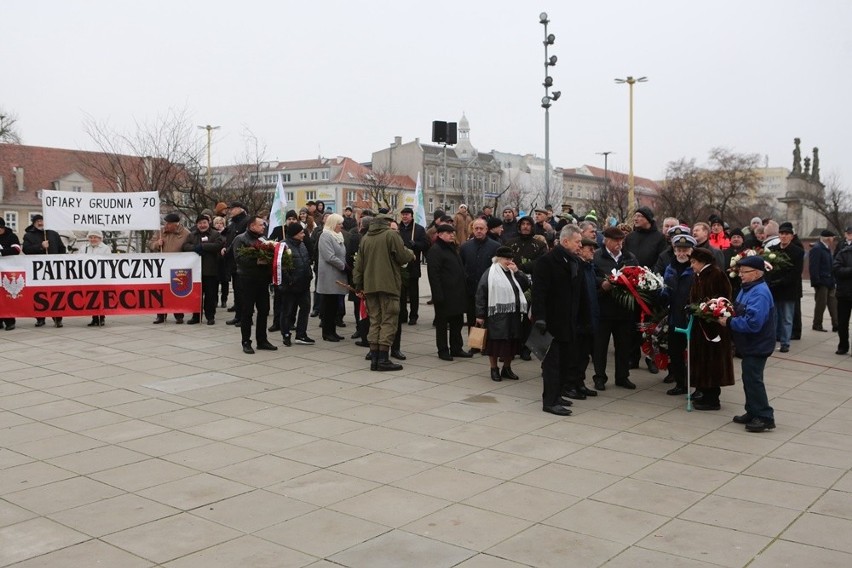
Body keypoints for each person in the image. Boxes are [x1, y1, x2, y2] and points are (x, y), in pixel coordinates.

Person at [531, 225, 587, 416]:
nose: (581, 245)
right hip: (550, 323)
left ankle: (558, 395)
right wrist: (539, 318)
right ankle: (550, 401)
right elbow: (539, 293)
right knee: (552, 365)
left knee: (565, 362)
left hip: (568, 322)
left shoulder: (574, 262)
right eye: (577, 242)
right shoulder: (546, 262)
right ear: (565, 242)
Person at [718, 255, 776, 432]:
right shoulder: (747, 288)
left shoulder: (760, 293)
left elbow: (753, 323)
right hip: (749, 344)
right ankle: (752, 411)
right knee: (749, 378)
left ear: (757, 273)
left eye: (745, 272)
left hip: (758, 344)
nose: (741, 275)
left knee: (754, 379)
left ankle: (765, 417)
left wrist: (728, 322)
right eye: (740, 271)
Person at [353, 214, 414, 371]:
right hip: (388, 285)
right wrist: (411, 253)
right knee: (388, 321)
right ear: (386, 223)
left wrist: (359, 286)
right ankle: (383, 359)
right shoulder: (390, 235)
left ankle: (374, 358)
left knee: (375, 321)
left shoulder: (365, 238)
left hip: (370, 286)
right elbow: (402, 256)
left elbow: (358, 266)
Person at [687, 247, 735, 410]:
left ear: (702, 261)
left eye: (693, 262)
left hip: (713, 328)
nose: (691, 265)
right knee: (702, 361)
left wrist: (705, 308)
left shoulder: (716, 274)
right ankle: (702, 391)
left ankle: (712, 398)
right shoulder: (699, 275)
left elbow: (723, 299)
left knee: (713, 363)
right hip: (700, 327)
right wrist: (692, 307)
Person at [592, 226, 639, 390]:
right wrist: (602, 284)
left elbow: (637, 276)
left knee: (624, 346)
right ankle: (599, 377)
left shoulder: (629, 257)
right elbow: (592, 276)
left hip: (624, 310)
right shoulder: (597, 256)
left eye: (621, 241)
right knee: (600, 346)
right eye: (615, 241)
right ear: (606, 240)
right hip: (603, 309)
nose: (619, 244)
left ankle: (622, 376)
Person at [474, 246, 530, 381]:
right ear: (498, 259)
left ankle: (507, 368)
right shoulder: (490, 273)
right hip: (496, 316)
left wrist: (517, 272)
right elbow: (481, 293)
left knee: (511, 343)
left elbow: (526, 285)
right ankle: (494, 369)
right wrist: (480, 315)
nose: (509, 261)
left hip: (513, 315)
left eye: (511, 258)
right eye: (506, 259)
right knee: (495, 344)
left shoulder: (512, 273)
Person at [232, 215, 278, 354]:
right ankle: (246, 341)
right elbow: (239, 258)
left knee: (264, 310)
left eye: (264, 225)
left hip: (262, 280)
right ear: (252, 226)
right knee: (247, 312)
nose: (264, 227)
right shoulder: (241, 239)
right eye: (261, 225)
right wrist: (258, 261)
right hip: (246, 280)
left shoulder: (263, 239)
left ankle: (262, 340)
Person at [660, 232, 697, 395]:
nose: (682, 254)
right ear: (674, 251)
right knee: (675, 353)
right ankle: (681, 383)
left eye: (685, 250)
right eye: (678, 250)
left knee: (694, 354)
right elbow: (666, 290)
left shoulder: (695, 269)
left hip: (692, 319)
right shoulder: (670, 268)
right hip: (675, 317)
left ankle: (696, 384)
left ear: (691, 251)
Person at [427, 225, 469, 361]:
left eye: (452, 233)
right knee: (442, 324)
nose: (451, 235)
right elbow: (434, 275)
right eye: (448, 233)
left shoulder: (452, 247)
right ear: (439, 234)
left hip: (457, 293)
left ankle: (456, 348)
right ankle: (443, 350)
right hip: (444, 294)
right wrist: (437, 295)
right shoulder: (436, 250)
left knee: (457, 322)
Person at [765, 222, 804, 353]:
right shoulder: (773, 250)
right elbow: (768, 268)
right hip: (774, 288)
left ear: (791, 236)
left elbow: (796, 272)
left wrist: (782, 281)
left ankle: (785, 343)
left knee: (787, 317)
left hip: (789, 288)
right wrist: (771, 280)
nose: (784, 236)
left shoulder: (797, 251)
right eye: (781, 234)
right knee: (774, 316)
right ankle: (773, 340)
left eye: (787, 234)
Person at [22, 214, 66, 327]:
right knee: (39, 295)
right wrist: (40, 246)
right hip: (38, 271)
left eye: (42, 220)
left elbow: (62, 248)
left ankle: (58, 318)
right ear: (34, 223)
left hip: (54, 269)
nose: (40, 223)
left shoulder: (53, 233)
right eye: (38, 221)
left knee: (56, 294)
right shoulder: (28, 235)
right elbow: (26, 250)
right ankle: (40, 318)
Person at [276, 222, 315, 347]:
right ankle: (286, 334)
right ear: (294, 234)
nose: (303, 235)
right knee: (287, 311)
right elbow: (281, 266)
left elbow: (306, 261)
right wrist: (290, 280)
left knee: (305, 308)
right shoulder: (283, 245)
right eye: (301, 233)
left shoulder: (302, 245)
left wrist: (309, 274)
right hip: (290, 285)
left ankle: (301, 334)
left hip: (304, 283)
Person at [148, 212, 190, 325]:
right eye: (165, 223)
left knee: (176, 291)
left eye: (168, 223)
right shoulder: (160, 232)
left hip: (178, 267)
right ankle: (161, 315)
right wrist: (157, 244)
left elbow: (190, 248)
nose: (165, 225)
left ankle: (179, 315)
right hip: (163, 266)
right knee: (161, 291)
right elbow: (150, 244)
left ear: (176, 224)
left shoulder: (186, 234)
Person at [459, 218, 501, 332]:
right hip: (471, 289)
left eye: (481, 228)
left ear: (486, 229)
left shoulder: (495, 247)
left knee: (489, 318)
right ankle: (474, 344)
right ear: (472, 229)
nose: (478, 231)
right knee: (472, 318)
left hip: (489, 289)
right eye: (476, 228)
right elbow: (461, 267)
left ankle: (488, 345)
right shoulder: (465, 247)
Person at [183, 214, 224, 325]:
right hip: (195, 271)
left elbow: (218, 245)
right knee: (196, 295)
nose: (202, 225)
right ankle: (196, 316)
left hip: (211, 270)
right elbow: (185, 246)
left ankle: (210, 316)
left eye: (204, 223)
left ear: (208, 223)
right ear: (197, 224)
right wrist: (195, 249)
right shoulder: (192, 235)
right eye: (200, 223)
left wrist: (203, 247)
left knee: (210, 296)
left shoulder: (215, 234)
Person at [316, 213, 347, 342]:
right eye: (339, 223)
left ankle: (332, 331)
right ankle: (327, 332)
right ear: (333, 224)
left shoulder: (338, 236)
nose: (341, 225)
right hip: (329, 275)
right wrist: (344, 266)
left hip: (338, 274)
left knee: (334, 306)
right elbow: (329, 256)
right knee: (328, 306)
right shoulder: (325, 236)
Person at [398, 207, 427, 326]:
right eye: (403, 214)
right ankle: (402, 314)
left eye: (407, 214)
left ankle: (413, 315)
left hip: (413, 265)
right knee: (401, 293)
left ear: (411, 216)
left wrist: (416, 244)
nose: (405, 216)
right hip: (400, 265)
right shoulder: (397, 229)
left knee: (414, 293)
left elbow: (425, 245)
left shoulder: (418, 229)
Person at [222, 202, 250, 325]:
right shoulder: (233, 223)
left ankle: (245, 317)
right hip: (232, 262)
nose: (230, 211)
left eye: (232, 208)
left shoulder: (246, 221)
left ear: (240, 209)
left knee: (243, 292)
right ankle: (238, 315)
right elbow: (229, 238)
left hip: (242, 262)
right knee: (237, 291)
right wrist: (225, 247)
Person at [77, 230, 112, 327]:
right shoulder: (84, 248)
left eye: (95, 237)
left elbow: (108, 261)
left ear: (100, 238)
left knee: (101, 297)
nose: (93, 239)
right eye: (91, 237)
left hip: (101, 276)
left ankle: (102, 317)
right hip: (88, 276)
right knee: (91, 297)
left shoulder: (105, 248)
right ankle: (94, 317)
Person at [809, 230, 837, 332]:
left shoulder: (826, 249)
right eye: (833, 237)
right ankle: (817, 324)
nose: (833, 240)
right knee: (821, 304)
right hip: (822, 282)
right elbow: (813, 267)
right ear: (828, 238)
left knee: (833, 304)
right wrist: (816, 282)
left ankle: (836, 324)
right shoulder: (817, 249)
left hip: (830, 281)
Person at [0, 218, 23, 330]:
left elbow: (17, 249)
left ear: (3, 227)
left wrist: (2, 252)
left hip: (7, 271)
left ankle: (10, 321)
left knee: (7, 296)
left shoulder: (11, 236)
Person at [833, 231, 852, 355]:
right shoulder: (844, 252)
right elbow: (836, 269)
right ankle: (843, 345)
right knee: (843, 322)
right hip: (844, 293)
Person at [212, 216, 230, 308]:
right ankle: (215, 300)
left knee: (225, 282)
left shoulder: (227, 234)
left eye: (221, 223)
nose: (219, 225)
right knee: (214, 283)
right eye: (217, 223)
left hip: (224, 261)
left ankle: (224, 300)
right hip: (214, 261)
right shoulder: (213, 234)